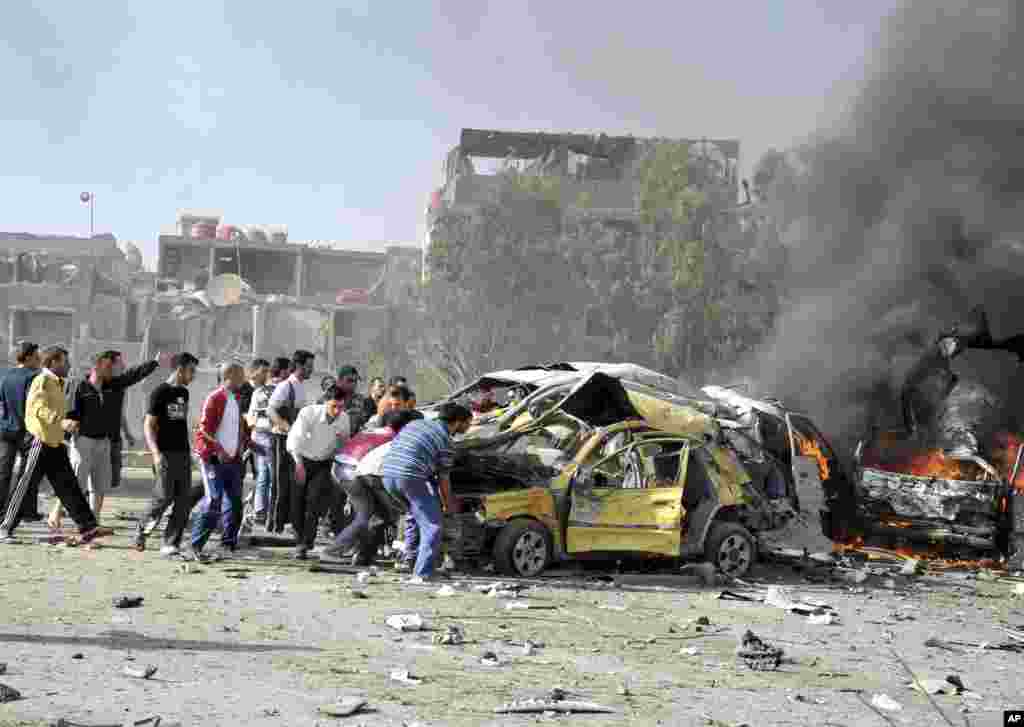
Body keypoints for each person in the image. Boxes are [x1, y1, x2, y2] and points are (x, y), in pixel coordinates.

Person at [0, 346, 111, 545]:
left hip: (55, 442)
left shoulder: (57, 383)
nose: (69, 365)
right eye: (65, 362)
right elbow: (38, 408)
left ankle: (88, 527)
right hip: (39, 442)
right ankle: (5, 527)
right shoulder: (41, 380)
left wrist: (67, 424)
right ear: (53, 363)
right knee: (24, 487)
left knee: (69, 486)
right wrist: (61, 422)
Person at [379, 402, 472, 582]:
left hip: (387, 475)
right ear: (458, 421)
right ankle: (423, 572)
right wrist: (449, 507)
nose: (468, 427)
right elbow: (444, 480)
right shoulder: (446, 441)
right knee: (433, 525)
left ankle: (410, 561)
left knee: (414, 515)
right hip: (409, 477)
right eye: (468, 422)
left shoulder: (415, 424)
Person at [320, 409, 422, 566]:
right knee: (366, 515)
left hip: (341, 468)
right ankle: (332, 551)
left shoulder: (375, 430)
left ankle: (361, 553)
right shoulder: (395, 437)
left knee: (375, 515)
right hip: (352, 473)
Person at [134, 353, 198, 555]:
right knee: (163, 497)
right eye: (191, 370)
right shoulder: (160, 392)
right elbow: (148, 425)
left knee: (183, 500)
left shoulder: (184, 393)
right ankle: (142, 531)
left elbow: (179, 424)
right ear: (180, 369)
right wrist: (155, 453)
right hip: (165, 454)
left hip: (183, 454)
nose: (193, 375)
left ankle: (171, 543)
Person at [190, 362, 249, 560]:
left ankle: (228, 544)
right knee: (213, 499)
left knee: (234, 502)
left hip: (232, 460)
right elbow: (203, 429)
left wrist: (247, 444)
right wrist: (219, 449)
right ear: (229, 375)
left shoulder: (236, 398)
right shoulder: (215, 397)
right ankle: (196, 545)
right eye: (241, 373)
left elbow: (237, 428)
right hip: (213, 458)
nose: (244, 377)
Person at [285, 385, 350, 559]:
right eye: (333, 406)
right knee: (298, 502)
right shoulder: (309, 413)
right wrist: (299, 464)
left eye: (341, 407)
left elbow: (344, 445)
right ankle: (300, 539)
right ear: (325, 402)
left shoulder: (344, 419)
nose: (337, 411)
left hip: (323, 463)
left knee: (314, 502)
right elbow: (295, 439)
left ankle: (306, 542)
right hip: (300, 458)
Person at [267, 350, 315, 534]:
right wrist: (287, 428)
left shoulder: (301, 386)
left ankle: (290, 524)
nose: (312, 370)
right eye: (309, 366)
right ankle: (275, 526)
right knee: (281, 484)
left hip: (297, 443)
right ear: (300, 366)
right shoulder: (286, 386)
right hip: (282, 440)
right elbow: (271, 410)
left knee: (295, 484)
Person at [0, 342, 41, 522]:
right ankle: (18, 512)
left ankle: (3, 512)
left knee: (3, 473)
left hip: (4, 430)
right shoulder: (34, 377)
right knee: (26, 475)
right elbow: (32, 406)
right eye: (37, 356)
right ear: (29, 357)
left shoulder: (4, 375)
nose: (39, 360)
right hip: (26, 432)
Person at [245, 357, 282, 525]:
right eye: (264, 372)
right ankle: (260, 511)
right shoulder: (255, 392)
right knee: (263, 475)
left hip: (272, 436)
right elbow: (251, 417)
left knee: (272, 475)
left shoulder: (275, 390)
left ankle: (270, 511)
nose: (267, 376)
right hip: (259, 436)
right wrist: (255, 423)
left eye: (268, 372)